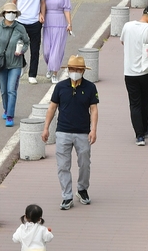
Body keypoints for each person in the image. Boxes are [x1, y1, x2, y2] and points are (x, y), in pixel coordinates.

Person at [42, 55, 99, 210]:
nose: (75, 72)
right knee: (62, 165)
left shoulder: (90, 88)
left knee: (85, 163)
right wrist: (46, 127)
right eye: (72, 69)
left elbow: (93, 110)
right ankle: (67, 196)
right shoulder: (60, 87)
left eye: (78, 69)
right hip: (63, 132)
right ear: (68, 70)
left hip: (83, 132)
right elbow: (52, 108)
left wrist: (93, 130)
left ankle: (82, 189)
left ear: (83, 71)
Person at [121, 4, 148, 146]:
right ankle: (144, 128)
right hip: (146, 72)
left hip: (129, 72)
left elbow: (122, 41)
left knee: (134, 103)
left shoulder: (127, 26)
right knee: (145, 102)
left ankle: (139, 136)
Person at [0, 1, 30, 126]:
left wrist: (22, 50)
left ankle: (10, 115)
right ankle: (6, 108)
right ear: (4, 14)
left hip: (15, 64)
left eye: (13, 12)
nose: (11, 14)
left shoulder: (20, 28)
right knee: (3, 90)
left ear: (16, 14)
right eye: (8, 12)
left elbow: (27, 42)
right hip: (1, 64)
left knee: (12, 90)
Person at [11, 0, 47, 84]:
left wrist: (42, 15)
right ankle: (22, 65)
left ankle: (32, 74)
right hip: (20, 21)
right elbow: (14, 1)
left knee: (35, 49)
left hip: (35, 22)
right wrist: (12, 16)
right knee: (18, 47)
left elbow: (43, 2)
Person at [42, 0, 73, 83]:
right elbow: (41, 6)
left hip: (60, 23)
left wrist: (69, 23)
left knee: (56, 50)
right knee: (46, 51)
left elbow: (67, 9)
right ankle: (50, 66)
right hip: (48, 23)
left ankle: (55, 73)